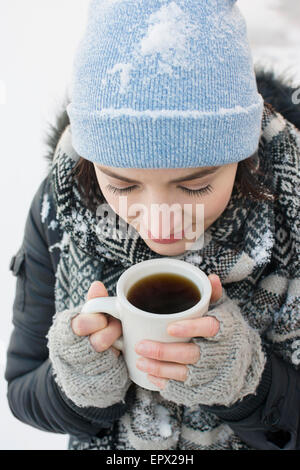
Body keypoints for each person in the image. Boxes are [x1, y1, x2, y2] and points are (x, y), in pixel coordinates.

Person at [5, 0, 300, 450]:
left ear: (243, 161)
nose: (159, 222)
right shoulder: (59, 210)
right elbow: (23, 389)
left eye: (196, 186)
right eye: (122, 184)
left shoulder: (291, 210)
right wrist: (79, 387)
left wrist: (249, 385)